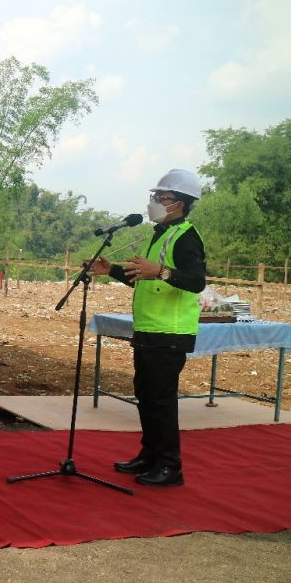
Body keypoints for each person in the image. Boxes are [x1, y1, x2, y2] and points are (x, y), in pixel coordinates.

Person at [89, 169, 206, 487]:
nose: (154, 202)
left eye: (161, 197)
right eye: (154, 196)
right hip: (149, 329)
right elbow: (144, 277)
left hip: (171, 332)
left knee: (161, 400)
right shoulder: (160, 233)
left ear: (179, 204)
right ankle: (150, 456)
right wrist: (110, 269)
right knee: (146, 396)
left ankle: (170, 466)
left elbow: (196, 282)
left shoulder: (186, 238)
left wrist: (162, 271)